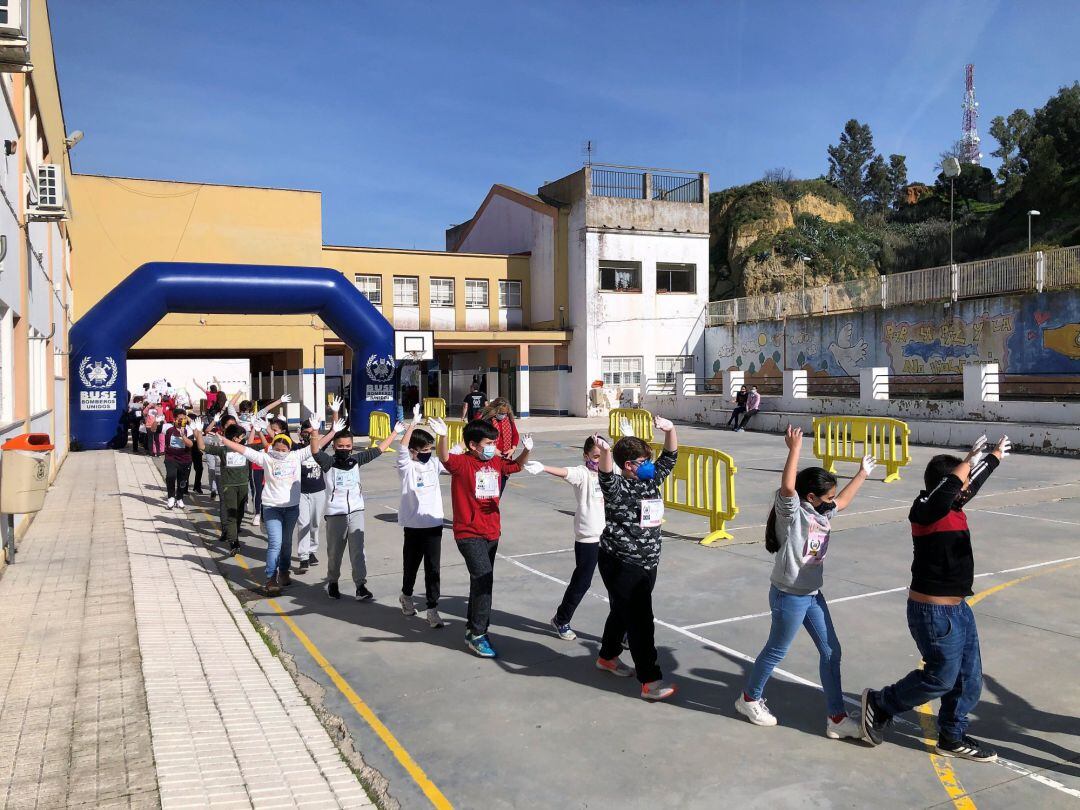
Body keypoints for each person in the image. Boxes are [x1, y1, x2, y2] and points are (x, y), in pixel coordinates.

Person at [861, 435, 1011, 762]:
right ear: (948, 483)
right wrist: (968, 458)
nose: (967, 490)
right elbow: (948, 490)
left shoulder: (953, 503)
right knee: (940, 678)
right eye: (962, 483)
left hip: (959, 609)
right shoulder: (924, 511)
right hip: (933, 613)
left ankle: (952, 737)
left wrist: (994, 457)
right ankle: (880, 703)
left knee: (969, 678)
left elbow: (971, 483)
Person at [734, 425, 872, 738]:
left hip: (811, 594)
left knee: (831, 652)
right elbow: (787, 489)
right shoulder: (793, 513)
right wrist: (794, 449)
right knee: (776, 651)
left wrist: (862, 473)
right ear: (810, 497)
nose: (832, 501)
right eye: (828, 497)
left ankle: (836, 719)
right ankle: (749, 699)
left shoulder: (824, 513)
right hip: (789, 595)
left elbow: (845, 501)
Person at [593, 416, 678, 700]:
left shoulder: (651, 478)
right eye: (644, 460)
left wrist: (670, 430)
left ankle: (606, 657)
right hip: (621, 562)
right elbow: (605, 475)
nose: (651, 465)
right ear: (629, 465)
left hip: (648, 561)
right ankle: (650, 682)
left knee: (622, 611)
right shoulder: (618, 487)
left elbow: (670, 457)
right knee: (641, 621)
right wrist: (606, 452)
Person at [433, 417, 531, 658]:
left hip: (492, 531)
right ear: (473, 445)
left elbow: (516, 466)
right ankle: (479, 634)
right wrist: (443, 437)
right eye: (489, 442)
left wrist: (527, 451)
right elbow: (444, 457)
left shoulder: (496, 462)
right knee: (484, 579)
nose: (493, 447)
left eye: (494, 442)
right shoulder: (462, 463)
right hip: (468, 533)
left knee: (479, 582)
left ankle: (471, 629)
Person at [219, 415, 342, 595]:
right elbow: (244, 450)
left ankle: (284, 571)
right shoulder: (266, 457)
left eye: (284, 448)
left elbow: (316, 446)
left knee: (286, 543)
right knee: (275, 543)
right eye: (278, 448)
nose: (281, 451)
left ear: (289, 448)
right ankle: (270, 578)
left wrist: (319, 431)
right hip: (272, 508)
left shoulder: (296, 456)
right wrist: (224, 441)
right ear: (273, 447)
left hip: (291, 508)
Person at [522, 437, 606, 641]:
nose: (599, 460)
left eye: (603, 455)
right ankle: (561, 619)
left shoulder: (611, 473)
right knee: (582, 582)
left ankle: (621, 631)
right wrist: (543, 467)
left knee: (618, 586)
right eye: (595, 456)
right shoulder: (583, 474)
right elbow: (565, 472)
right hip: (588, 537)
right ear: (586, 456)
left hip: (610, 538)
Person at [316, 420, 397, 600]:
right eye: (340, 446)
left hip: (356, 511)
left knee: (358, 550)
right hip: (336, 513)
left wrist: (395, 433)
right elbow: (315, 450)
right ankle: (333, 582)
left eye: (348, 446)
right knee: (335, 551)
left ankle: (360, 586)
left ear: (352, 447)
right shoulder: (328, 463)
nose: (344, 449)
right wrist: (316, 432)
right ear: (335, 447)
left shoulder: (356, 461)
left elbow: (378, 450)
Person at [396, 408, 447, 629]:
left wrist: (444, 436)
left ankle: (432, 608)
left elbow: (451, 456)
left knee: (433, 568)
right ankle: (406, 596)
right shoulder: (407, 467)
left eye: (430, 448)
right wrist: (412, 425)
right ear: (414, 451)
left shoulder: (435, 464)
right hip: (414, 525)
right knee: (412, 565)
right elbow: (400, 449)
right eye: (424, 449)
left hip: (434, 524)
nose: (428, 452)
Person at [296, 400, 343, 574]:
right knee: (303, 523)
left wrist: (335, 412)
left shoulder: (319, 446)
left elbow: (334, 430)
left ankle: (312, 550)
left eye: (312, 432)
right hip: (301, 493)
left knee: (315, 524)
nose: (309, 435)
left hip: (318, 491)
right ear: (301, 433)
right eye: (306, 432)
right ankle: (303, 557)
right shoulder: (296, 449)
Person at [197, 422, 250, 552]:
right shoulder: (223, 449)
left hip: (243, 485)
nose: (243, 438)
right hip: (229, 486)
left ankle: (234, 532)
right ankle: (234, 542)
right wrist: (198, 431)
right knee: (232, 514)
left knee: (240, 513)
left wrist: (258, 429)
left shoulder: (246, 449)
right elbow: (202, 446)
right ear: (234, 438)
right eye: (241, 436)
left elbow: (265, 446)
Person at [481, 397, 520, 493]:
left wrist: (513, 449)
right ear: (495, 410)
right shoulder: (487, 421)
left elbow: (515, 435)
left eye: (505, 413)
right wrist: (493, 450)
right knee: (489, 491)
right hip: (490, 459)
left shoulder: (509, 420)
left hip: (505, 459)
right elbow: (482, 439)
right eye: (501, 413)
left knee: (500, 489)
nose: (503, 415)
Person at [163, 411, 196, 509]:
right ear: (174, 419)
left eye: (184, 419)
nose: (182, 421)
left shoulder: (188, 430)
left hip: (185, 459)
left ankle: (179, 498)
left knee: (182, 481)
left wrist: (183, 436)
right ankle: (171, 498)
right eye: (179, 419)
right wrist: (156, 421)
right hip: (171, 458)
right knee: (171, 476)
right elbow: (153, 429)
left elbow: (190, 444)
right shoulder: (168, 428)